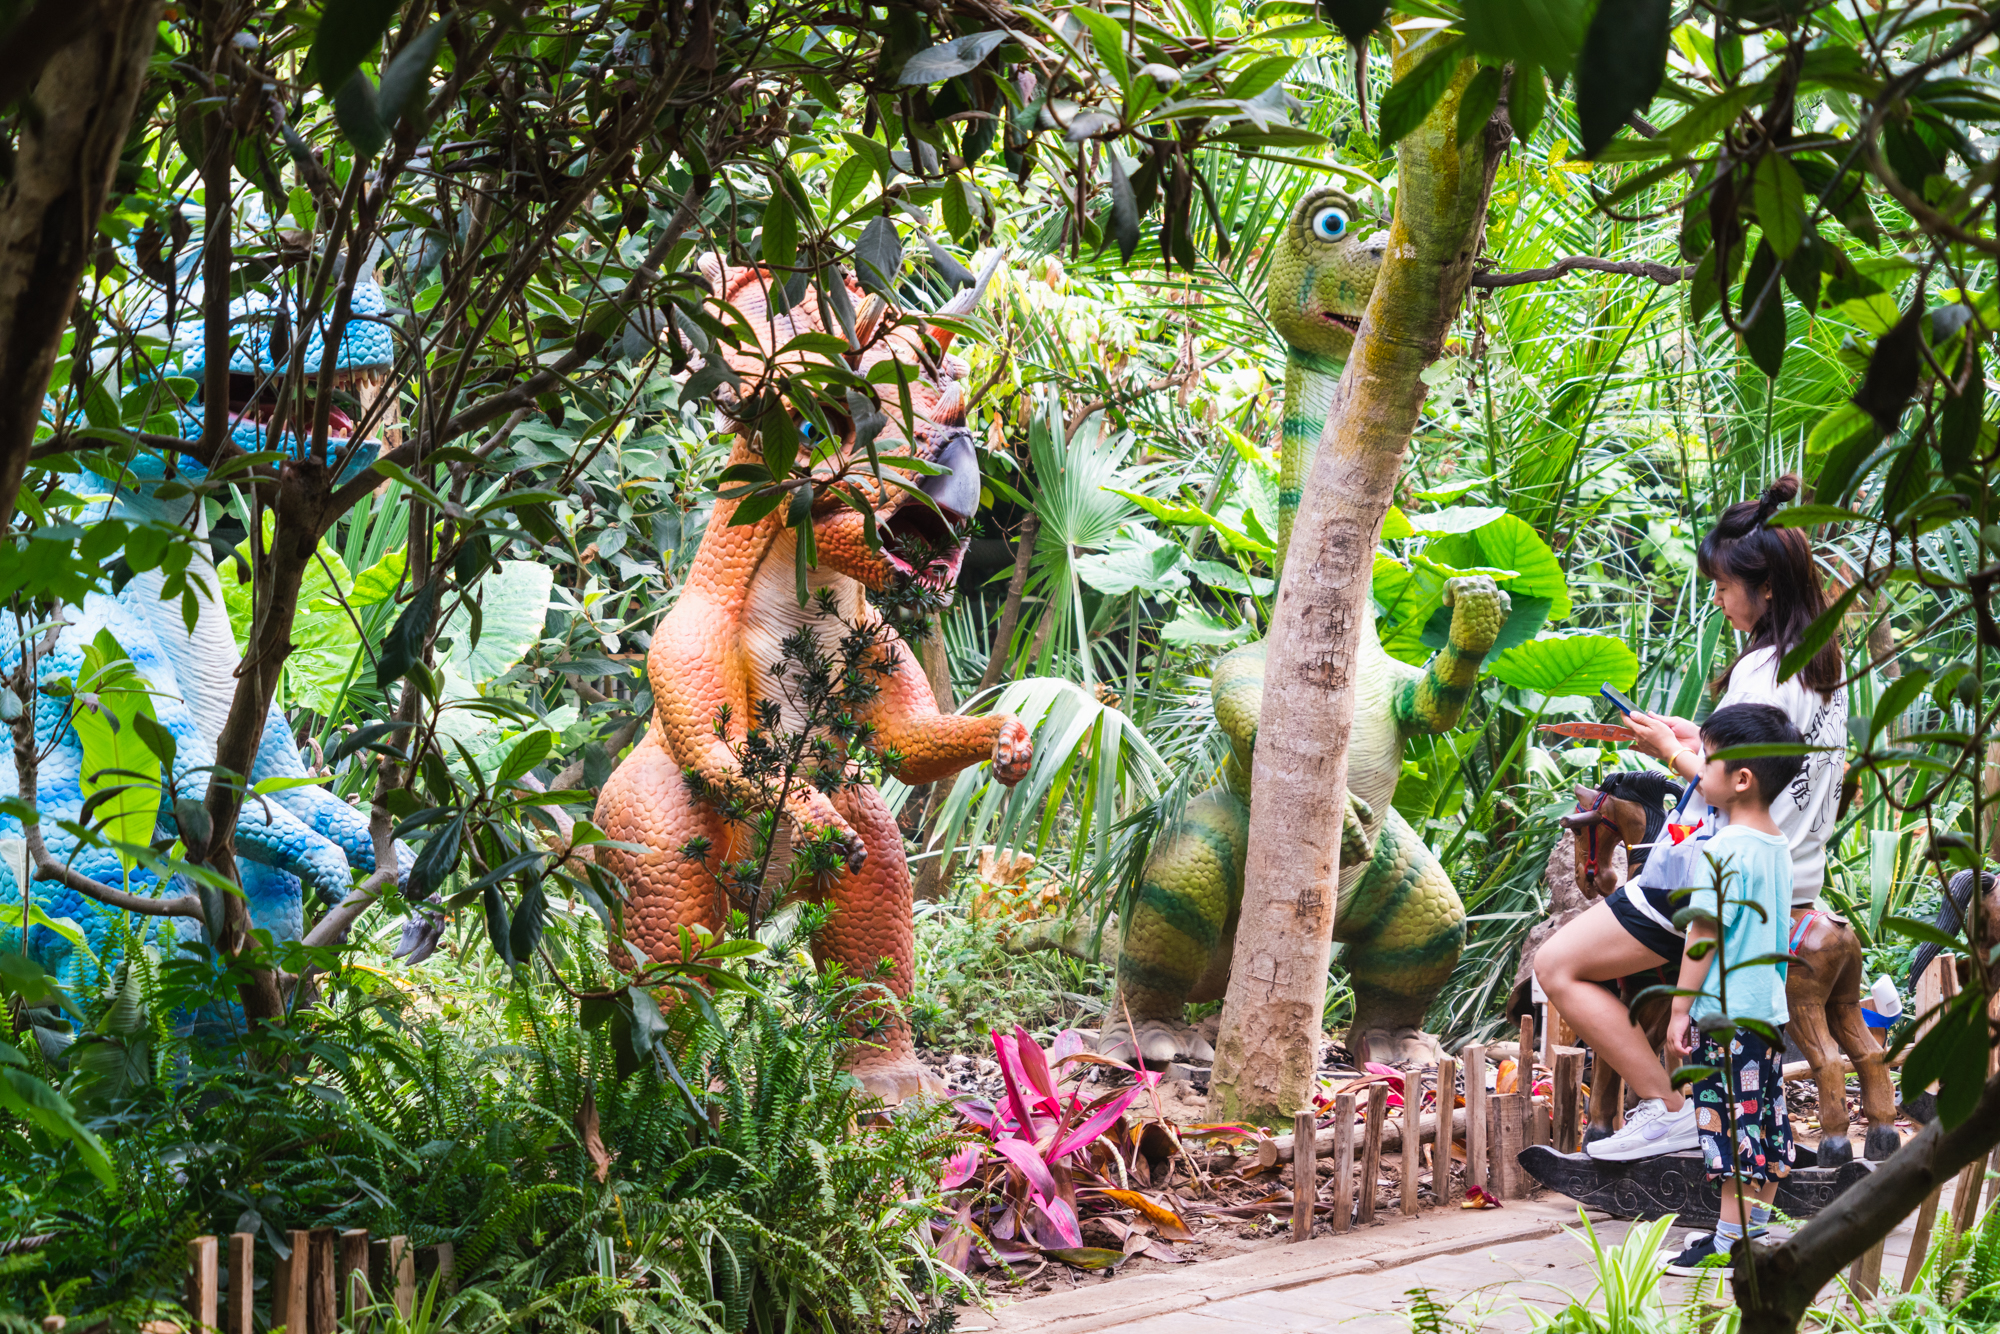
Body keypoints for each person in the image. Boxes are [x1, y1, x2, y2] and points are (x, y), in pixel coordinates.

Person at [1534, 474, 1844, 1162]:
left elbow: (1735, 787)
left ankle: (1667, 1107)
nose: (1720, 599)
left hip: (1714, 873)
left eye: (1725, 587)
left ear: (1765, 588)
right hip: (1789, 875)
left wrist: (1672, 752)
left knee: (1558, 965)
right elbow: (1770, 763)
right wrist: (1696, 732)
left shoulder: (1759, 669)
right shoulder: (1820, 667)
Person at [1659, 703, 1802, 1274]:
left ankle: (1725, 1246)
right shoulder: (1777, 846)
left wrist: (1678, 1012)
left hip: (1724, 1014)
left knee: (1726, 1124)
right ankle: (1753, 1237)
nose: (1700, 770)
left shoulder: (1722, 849)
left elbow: (1704, 935)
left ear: (1741, 779)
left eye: (1709, 761)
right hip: (1767, 1010)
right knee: (1762, 1117)